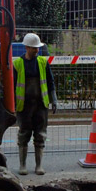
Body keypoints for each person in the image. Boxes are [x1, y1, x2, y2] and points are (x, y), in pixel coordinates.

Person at [13, 33, 57, 175]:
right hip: (24, 106)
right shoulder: (18, 64)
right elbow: (12, 85)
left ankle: (39, 166)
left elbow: (50, 82)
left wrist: (54, 99)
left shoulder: (43, 62)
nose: (37, 50)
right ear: (26, 47)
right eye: (33, 48)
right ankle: (22, 165)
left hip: (40, 105)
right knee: (24, 134)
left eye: (37, 48)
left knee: (40, 134)